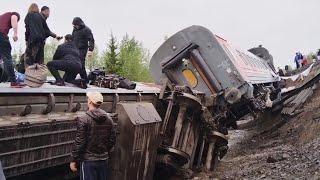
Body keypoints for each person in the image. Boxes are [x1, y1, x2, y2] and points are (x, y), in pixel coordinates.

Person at [70, 92, 116, 180]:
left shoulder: (84, 119)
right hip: (103, 160)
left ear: (90, 102)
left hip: (88, 161)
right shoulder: (109, 120)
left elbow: (80, 142)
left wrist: (73, 160)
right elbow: (112, 140)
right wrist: (104, 152)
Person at [0, 12, 25, 87]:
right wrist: (15, 33)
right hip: (1, 35)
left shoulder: (2, 17)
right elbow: (14, 18)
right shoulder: (14, 14)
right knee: (7, 59)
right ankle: (14, 82)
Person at [72, 17, 95, 83]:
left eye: (76, 25)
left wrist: (90, 50)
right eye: (74, 25)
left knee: (80, 64)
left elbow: (91, 40)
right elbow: (72, 37)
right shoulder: (74, 29)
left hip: (82, 49)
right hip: (74, 49)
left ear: (80, 24)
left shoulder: (87, 30)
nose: (75, 26)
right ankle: (70, 78)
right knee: (73, 63)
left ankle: (85, 80)